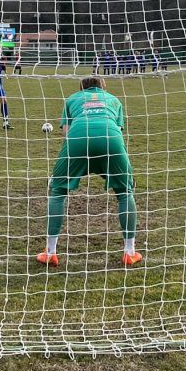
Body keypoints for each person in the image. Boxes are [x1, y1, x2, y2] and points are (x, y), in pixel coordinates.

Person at [37, 76, 140, 267]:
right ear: (103, 87)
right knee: (125, 192)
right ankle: (130, 252)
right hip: (110, 140)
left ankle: (50, 253)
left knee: (57, 191)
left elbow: (66, 132)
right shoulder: (114, 99)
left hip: (78, 139)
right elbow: (118, 128)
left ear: (81, 88)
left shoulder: (72, 99)